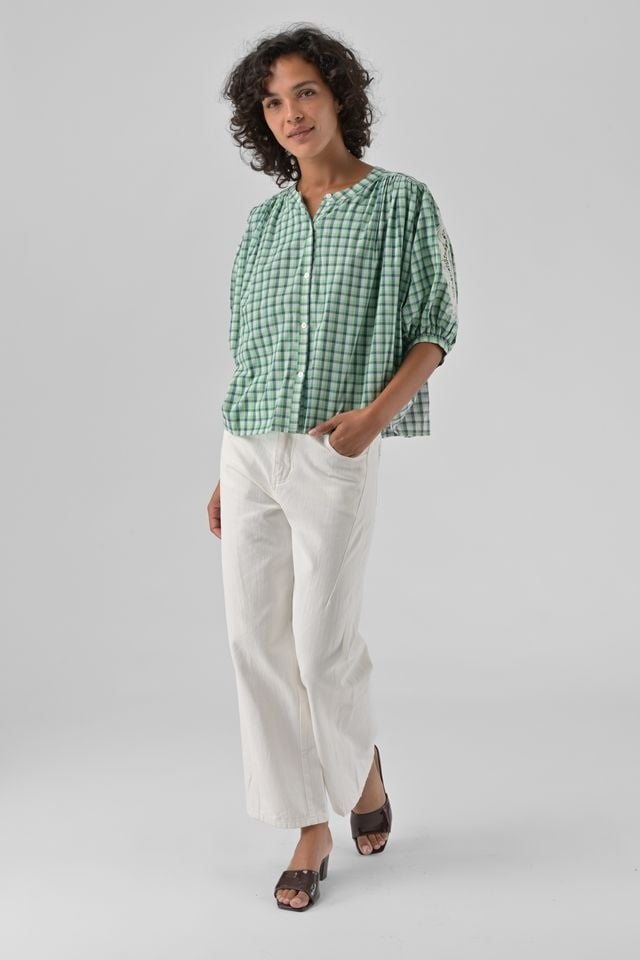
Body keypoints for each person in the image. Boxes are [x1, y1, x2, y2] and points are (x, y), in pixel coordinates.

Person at [207, 23, 459, 911]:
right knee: (255, 642)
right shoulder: (263, 223)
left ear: (339, 95)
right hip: (249, 447)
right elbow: (250, 351)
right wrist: (226, 469)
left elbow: (435, 326)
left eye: (304, 92)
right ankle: (310, 823)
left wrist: (373, 420)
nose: (291, 114)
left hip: (333, 447)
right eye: (272, 102)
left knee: (321, 649)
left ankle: (361, 772)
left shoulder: (401, 203)